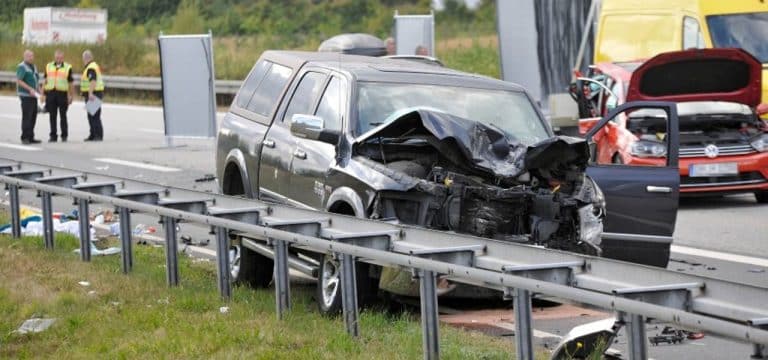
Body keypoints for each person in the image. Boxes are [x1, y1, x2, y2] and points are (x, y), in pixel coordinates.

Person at [41, 50, 74, 142]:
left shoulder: (68, 67)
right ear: (54, 57)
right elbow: (45, 81)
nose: (58, 59)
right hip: (51, 93)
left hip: (62, 94)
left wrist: (71, 95)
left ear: (63, 58)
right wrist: (42, 94)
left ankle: (64, 135)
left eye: (60, 58)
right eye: (56, 57)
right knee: (52, 116)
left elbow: (71, 83)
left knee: (63, 116)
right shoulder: (49, 66)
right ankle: (53, 136)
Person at [16, 50, 41, 144]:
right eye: (29, 56)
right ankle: (25, 137)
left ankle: (31, 136)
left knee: (33, 116)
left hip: (34, 95)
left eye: (32, 56)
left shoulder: (34, 66)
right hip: (26, 95)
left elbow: (36, 80)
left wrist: (40, 91)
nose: (31, 58)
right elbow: (19, 81)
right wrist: (30, 89)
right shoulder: (22, 67)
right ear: (25, 56)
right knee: (27, 116)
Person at [81, 50, 105, 141]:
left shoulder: (91, 68)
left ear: (86, 58)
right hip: (94, 93)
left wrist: (90, 93)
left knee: (94, 115)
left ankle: (98, 135)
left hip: (94, 94)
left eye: (83, 58)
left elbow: (93, 81)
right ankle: (93, 134)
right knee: (91, 115)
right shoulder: (93, 66)